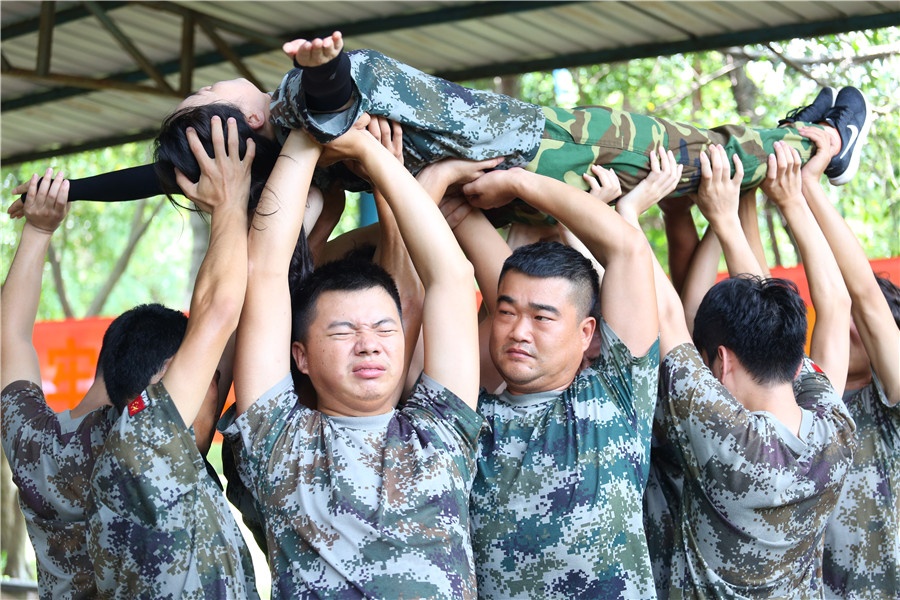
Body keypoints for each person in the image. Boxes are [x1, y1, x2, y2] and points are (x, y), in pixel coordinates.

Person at [10, 35, 873, 225]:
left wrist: (75, 188)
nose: (213, 83)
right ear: (237, 118)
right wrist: (316, 68)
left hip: (525, 155)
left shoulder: (283, 154)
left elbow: (167, 171)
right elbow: (332, 104)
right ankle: (826, 145)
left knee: (690, 142)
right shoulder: (294, 110)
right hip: (547, 145)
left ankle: (796, 125)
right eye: (207, 94)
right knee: (698, 160)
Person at [220, 114, 489, 597]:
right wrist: (307, 128)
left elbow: (450, 277)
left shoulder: (441, 432)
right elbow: (263, 273)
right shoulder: (280, 441)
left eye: (385, 328)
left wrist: (375, 158)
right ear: (299, 357)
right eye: (343, 331)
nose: (369, 343)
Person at [621, 142, 856, 597]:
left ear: (722, 360)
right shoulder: (836, 432)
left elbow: (670, 318)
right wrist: (726, 222)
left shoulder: (732, 439)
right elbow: (768, 327)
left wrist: (630, 212)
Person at [451, 151, 662, 596]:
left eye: (542, 318)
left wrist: (517, 183)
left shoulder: (615, 395)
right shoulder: (464, 417)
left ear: (587, 332)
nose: (518, 332)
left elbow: (628, 248)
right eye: (504, 312)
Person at [87, 115, 259, 597]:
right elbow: (219, 312)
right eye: (208, 378)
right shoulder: (142, 445)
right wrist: (226, 205)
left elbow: (234, 325)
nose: (220, 385)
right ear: (162, 379)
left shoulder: (174, 459)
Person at [0, 171, 188, 598]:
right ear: (166, 372)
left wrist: (38, 228)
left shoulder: (36, 447)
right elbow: (225, 309)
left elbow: (9, 336)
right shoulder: (153, 440)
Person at [797, 125, 900, 598]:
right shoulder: (806, 401)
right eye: (845, 318)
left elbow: (866, 299)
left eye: (866, 320)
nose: (853, 323)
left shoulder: (891, 409)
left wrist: (810, 189)